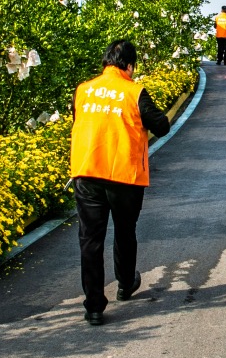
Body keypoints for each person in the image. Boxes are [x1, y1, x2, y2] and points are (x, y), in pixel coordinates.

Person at [70, 40, 172, 325]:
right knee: (125, 232)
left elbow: (79, 120)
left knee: (90, 240)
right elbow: (162, 125)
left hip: (87, 172)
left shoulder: (83, 90)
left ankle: (93, 306)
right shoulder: (134, 91)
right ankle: (126, 285)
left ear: (105, 62)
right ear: (129, 65)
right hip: (124, 176)